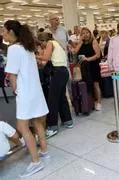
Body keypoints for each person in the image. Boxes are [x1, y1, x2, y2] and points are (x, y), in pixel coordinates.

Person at [3, 20, 49, 177]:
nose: (2, 34)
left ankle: (36, 162)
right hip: (35, 90)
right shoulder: (27, 47)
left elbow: (12, 75)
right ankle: (43, 150)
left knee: (23, 127)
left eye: (3, 30)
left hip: (25, 93)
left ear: (10, 32)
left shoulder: (14, 49)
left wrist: (16, 91)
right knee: (36, 121)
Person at [36, 32, 73, 138]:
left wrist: (35, 56)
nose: (42, 46)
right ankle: (67, 120)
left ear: (43, 40)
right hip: (63, 72)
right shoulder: (57, 43)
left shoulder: (50, 43)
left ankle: (52, 127)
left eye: (41, 43)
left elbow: (46, 58)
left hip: (57, 73)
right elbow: (46, 61)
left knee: (53, 99)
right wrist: (40, 59)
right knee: (61, 97)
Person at [72, 27, 102, 110]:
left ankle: (98, 102)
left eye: (87, 32)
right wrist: (80, 42)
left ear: (90, 33)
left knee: (95, 84)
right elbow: (75, 52)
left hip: (93, 66)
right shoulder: (81, 43)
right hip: (84, 67)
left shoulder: (94, 41)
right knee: (87, 84)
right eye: (83, 33)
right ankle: (90, 101)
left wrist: (88, 59)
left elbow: (98, 55)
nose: (85, 35)